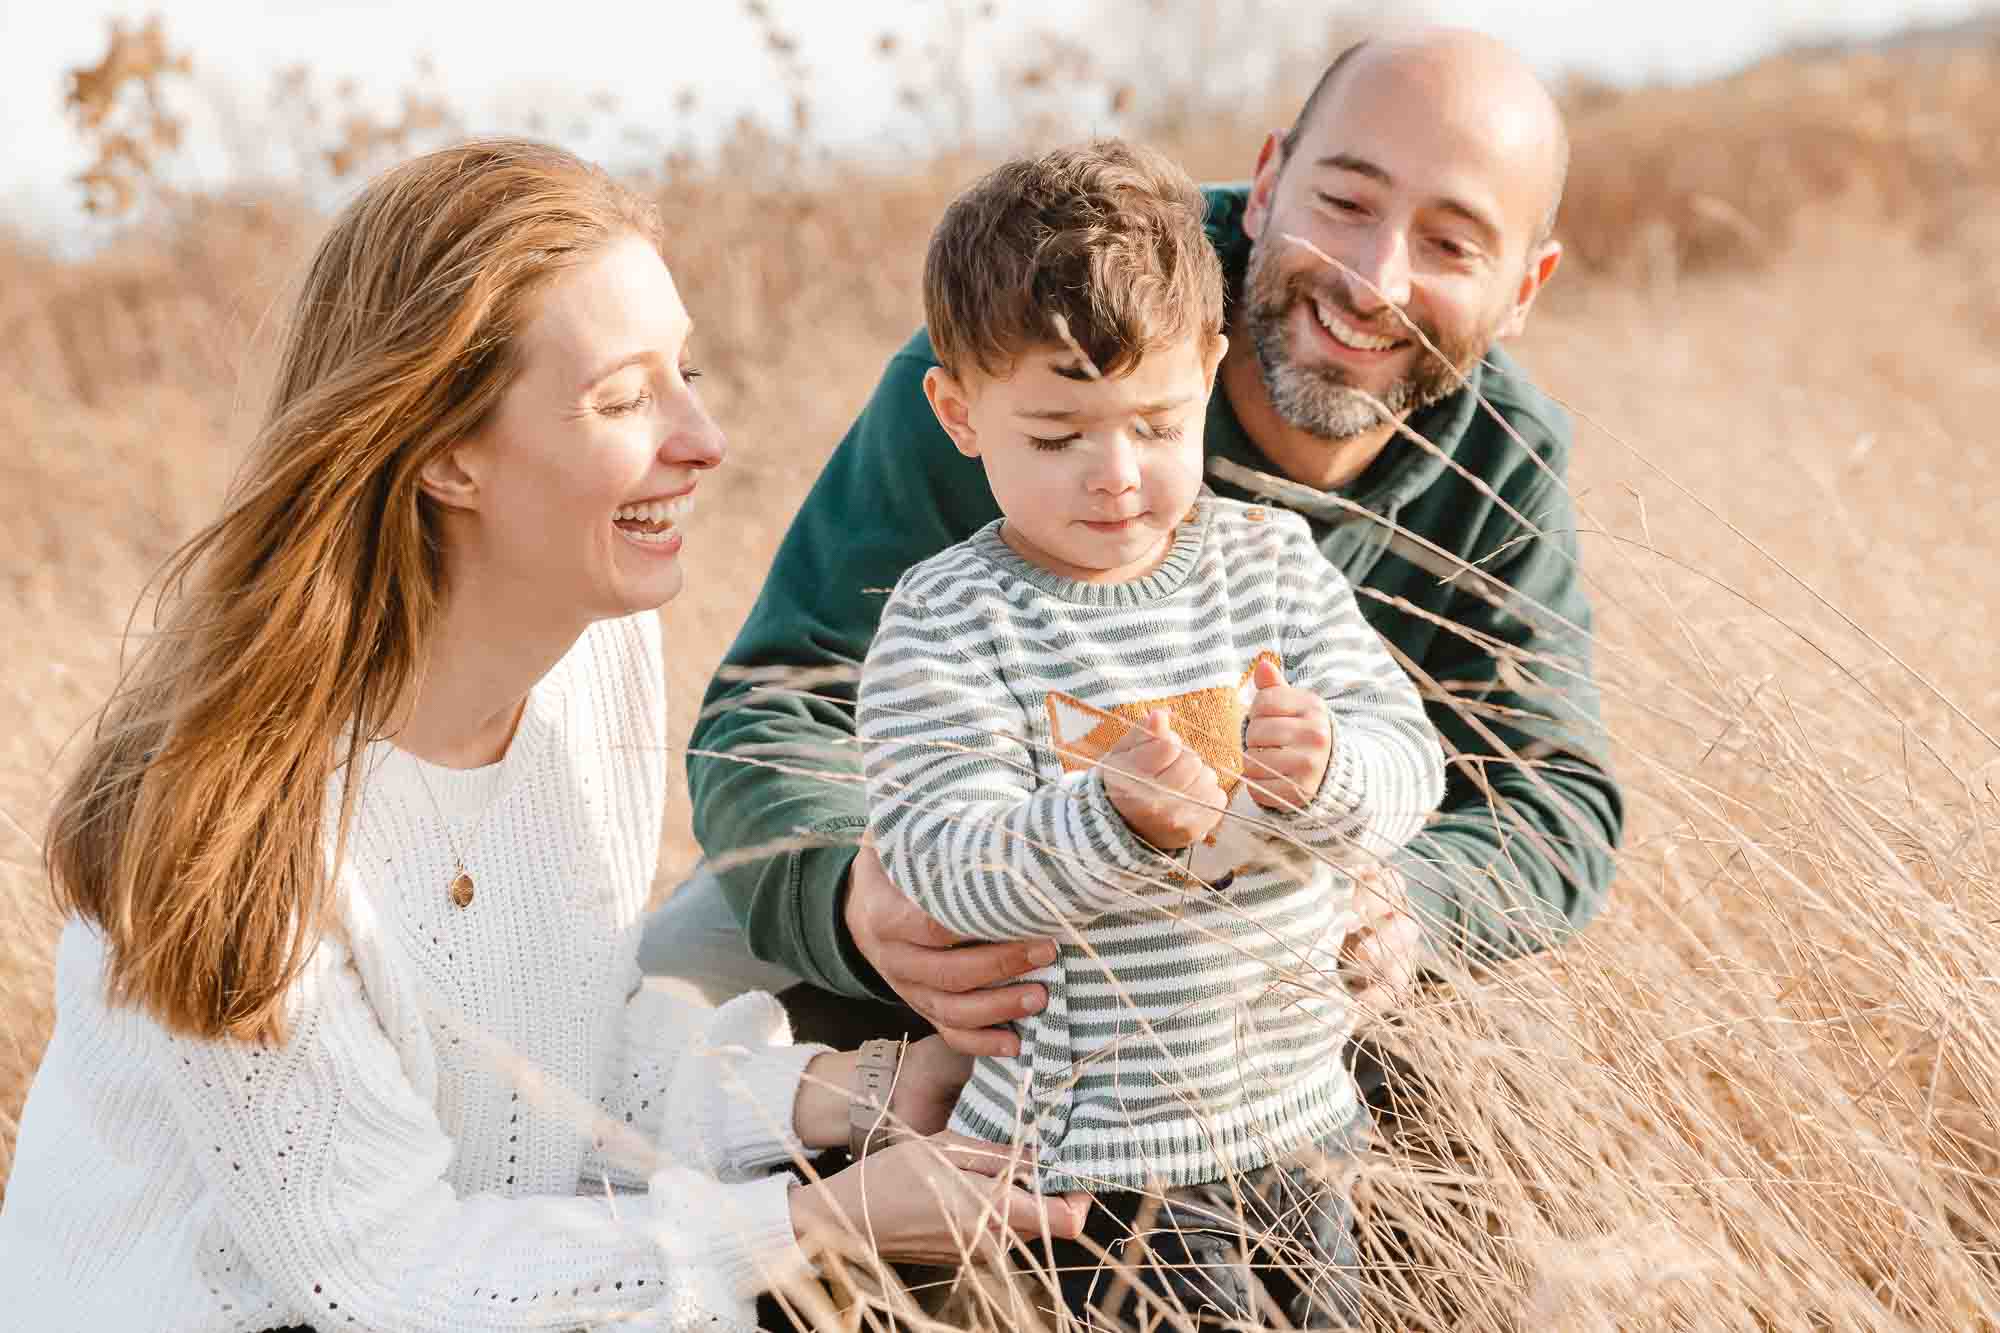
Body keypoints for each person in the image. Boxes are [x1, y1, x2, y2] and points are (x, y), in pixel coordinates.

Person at [0, 139, 1085, 1333]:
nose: (704, 438)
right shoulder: (237, 822)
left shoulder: (593, 661)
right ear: (446, 453)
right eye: (624, 397)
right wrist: (817, 1219)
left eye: (687, 371)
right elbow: (379, 1278)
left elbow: (564, 1073)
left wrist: (861, 1095)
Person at [648, 30, 1625, 1104]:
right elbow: (778, 701)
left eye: (1449, 243)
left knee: (1516, 1074)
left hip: (1272, 956)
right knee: (660, 1000)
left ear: (1523, 286)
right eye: (1344, 203)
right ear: (1264, 185)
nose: (1372, 278)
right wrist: (849, 893)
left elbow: (1552, 794)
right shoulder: (1035, 340)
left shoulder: (1500, 457)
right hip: (979, 919)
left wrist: (1412, 906)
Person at [855, 140, 1447, 1325]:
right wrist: (1107, 818)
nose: (1114, 475)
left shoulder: (1269, 563)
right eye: (1058, 434)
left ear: (1210, 372)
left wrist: (1327, 769)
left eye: (1155, 424)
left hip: (1300, 1113)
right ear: (959, 411)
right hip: (1092, 1166)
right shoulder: (950, 618)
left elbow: (1408, 756)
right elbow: (940, 856)